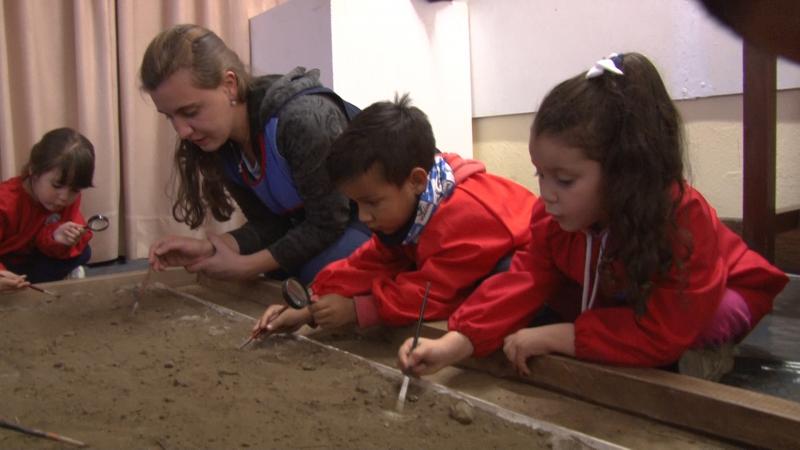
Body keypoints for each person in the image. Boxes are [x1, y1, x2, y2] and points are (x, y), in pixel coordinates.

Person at [398, 53, 789, 378]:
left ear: (623, 171)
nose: (545, 193)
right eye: (540, 174)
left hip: (720, 292)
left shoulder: (682, 220)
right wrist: (454, 342)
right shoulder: (553, 218)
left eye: (564, 180)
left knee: (694, 329)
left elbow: (664, 329)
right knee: (558, 306)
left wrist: (557, 336)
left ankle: (709, 351)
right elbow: (525, 278)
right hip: (630, 293)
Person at [253, 94, 536, 336]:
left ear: (415, 180)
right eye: (357, 204)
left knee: (496, 280)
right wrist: (309, 301)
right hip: (461, 265)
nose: (363, 217)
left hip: (540, 280)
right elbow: (370, 261)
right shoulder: (417, 206)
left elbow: (432, 293)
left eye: (372, 203)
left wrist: (358, 310)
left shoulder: (465, 216)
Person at [140, 24, 370, 285]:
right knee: (278, 273)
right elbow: (271, 225)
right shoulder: (224, 144)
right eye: (170, 117)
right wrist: (213, 247)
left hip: (378, 218)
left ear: (229, 85)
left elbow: (329, 220)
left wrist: (248, 266)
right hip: (329, 223)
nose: (181, 131)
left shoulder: (302, 119)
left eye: (190, 112)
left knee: (316, 276)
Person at [0, 127, 95, 290]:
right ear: (33, 170)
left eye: (75, 190)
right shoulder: (6, 201)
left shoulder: (68, 199)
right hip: (6, 260)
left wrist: (56, 238)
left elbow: (58, 238)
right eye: (57, 185)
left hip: (34, 256)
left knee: (84, 250)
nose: (64, 197)